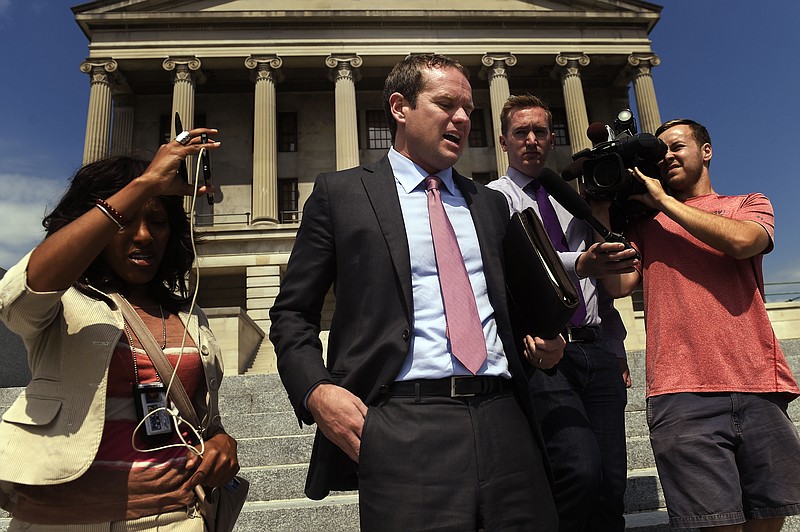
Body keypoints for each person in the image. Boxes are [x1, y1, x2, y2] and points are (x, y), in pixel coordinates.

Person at [269, 54, 563, 531]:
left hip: (505, 420)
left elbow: (520, 308)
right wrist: (316, 390)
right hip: (403, 423)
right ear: (400, 107)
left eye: (469, 109)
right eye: (447, 103)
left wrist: (549, 341)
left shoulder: (489, 204)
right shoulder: (340, 195)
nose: (464, 119)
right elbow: (292, 314)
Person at [0, 130, 240, 531]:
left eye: (158, 221)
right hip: (64, 520)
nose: (144, 235)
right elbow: (18, 295)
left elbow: (197, 418)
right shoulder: (61, 302)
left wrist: (220, 441)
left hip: (176, 517)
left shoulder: (187, 315)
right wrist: (146, 183)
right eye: (126, 220)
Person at [608, 118, 800, 530]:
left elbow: (741, 242)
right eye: (662, 153)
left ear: (706, 151)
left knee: (770, 517)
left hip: (756, 382)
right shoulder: (645, 227)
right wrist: (601, 212)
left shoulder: (748, 203)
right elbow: (618, 285)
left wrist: (664, 204)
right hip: (681, 391)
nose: (669, 156)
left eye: (678, 146)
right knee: (717, 524)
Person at [486, 94, 637, 532]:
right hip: (547, 355)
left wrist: (616, 349)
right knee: (578, 469)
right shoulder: (493, 200)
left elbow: (603, 292)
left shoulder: (577, 201)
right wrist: (581, 261)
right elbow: (521, 265)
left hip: (597, 352)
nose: (531, 140)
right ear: (503, 141)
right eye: (521, 132)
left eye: (539, 132)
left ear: (552, 138)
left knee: (612, 483)